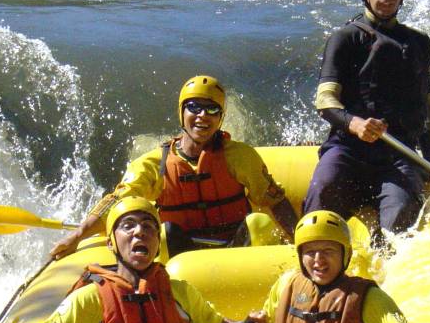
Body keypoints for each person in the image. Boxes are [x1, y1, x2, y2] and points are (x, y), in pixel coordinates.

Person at [0, 197, 256, 323]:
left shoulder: (180, 292)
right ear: (111, 243)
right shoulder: (91, 297)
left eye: (148, 227)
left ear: (157, 242)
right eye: (128, 226)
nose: (140, 232)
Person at [50, 75, 298, 260]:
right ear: (182, 112)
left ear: (220, 118)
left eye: (212, 109)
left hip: (234, 253)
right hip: (180, 257)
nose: (202, 116)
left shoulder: (240, 156)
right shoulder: (154, 164)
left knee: (259, 224)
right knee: (164, 232)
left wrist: (302, 243)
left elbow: (274, 200)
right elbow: (117, 204)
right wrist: (77, 235)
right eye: (194, 107)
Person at [302, 0, 430, 237]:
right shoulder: (345, 38)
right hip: (348, 148)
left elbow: (428, 106)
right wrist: (354, 123)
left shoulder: (418, 42)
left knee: (398, 223)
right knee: (323, 190)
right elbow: (325, 100)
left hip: (399, 153)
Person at [205, 210, 430, 323]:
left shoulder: (367, 298)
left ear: (345, 255)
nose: (318, 261)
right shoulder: (286, 285)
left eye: (328, 251)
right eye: (310, 252)